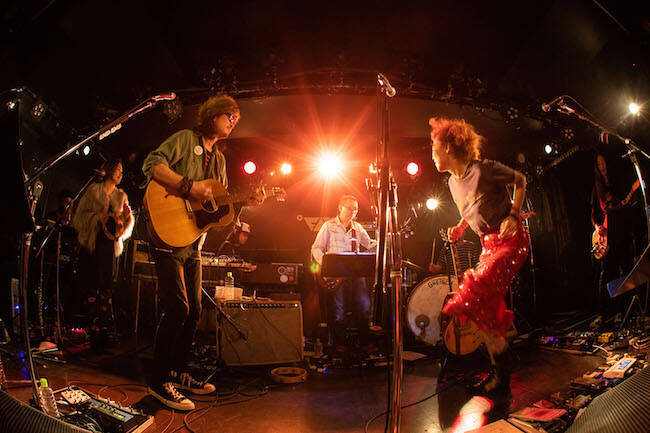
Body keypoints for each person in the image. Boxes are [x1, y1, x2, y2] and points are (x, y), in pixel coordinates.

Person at [142, 94, 263, 411]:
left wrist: (244, 202)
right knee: (177, 308)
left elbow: (218, 211)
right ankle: (158, 380)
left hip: (192, 243)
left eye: (236, 120)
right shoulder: (185, 139)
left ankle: (178, 372)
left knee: (194, 310)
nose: (233, 123)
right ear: (213, 115)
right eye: (229, 117)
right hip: (167, 236)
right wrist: (189, 186)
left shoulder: (219, 161)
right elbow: (151, 163)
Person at [429, 117, 529, 396]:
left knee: (472, 292)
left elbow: (521, 180)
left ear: (449, 147)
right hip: (488, 246)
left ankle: (502, 367)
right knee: (480, 307)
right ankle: (501, 373)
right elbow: (470, 208)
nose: (432, 154)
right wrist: (460, 227)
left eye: (434, 148)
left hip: (510, 238)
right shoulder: (452, 183)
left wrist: (514, 215)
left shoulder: (484, 169)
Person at [71, 159, 134, 350]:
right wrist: (98, 217)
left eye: (122, 171)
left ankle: (106, 332)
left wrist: (126, 220)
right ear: (108, 170)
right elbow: (78, 218)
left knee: (106, 290)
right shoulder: (93, 191)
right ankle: (91, 330)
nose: (120, 174)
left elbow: (125, 225)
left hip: (109, 250)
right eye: (117, 169)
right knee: (91, 287)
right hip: (93, 247)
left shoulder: (121, 195)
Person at [311, 195, 377, 352]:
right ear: (340, 208)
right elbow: (316, 248)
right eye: (350, 208)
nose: (353, 212)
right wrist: (326, 265)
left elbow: (370, 245)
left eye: (356, 209)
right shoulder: (328, 226)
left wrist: (383, 241)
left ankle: (364, 342)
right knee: (338, 310)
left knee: (364, 307)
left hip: (356, 274)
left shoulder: (357, 228)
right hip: (336, 275)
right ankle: (340, 343)